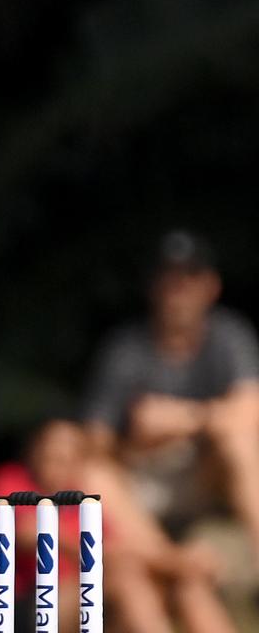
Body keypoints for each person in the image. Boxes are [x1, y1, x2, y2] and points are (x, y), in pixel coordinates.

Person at [0, 419, 236, 633]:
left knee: (182, 585)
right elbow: (40, 537)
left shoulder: (80, 503)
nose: (53, 466)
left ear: (79, 465)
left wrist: (180, 570)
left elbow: (118, 551)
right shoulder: (9, 483)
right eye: (48, 454)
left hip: (58, 611)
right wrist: (176, 560)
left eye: (64, 459)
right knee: (124, 578)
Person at [84, 230, 259, 564]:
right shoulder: (124, 349)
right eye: (168, 277)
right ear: (152, 286)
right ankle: (172, 566)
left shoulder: (230, 336)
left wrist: (180, 419)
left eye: (189, 276)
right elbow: (94, 440)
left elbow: (250, 412)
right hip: (143, 477)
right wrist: (137, 442)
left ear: (211, 286)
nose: (178, 288)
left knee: (240, 441)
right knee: (93, 476)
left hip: (204, 472)